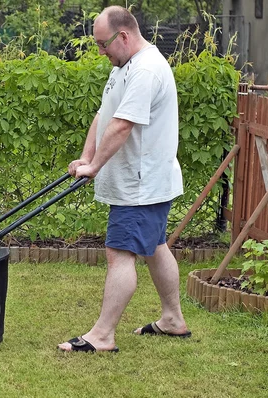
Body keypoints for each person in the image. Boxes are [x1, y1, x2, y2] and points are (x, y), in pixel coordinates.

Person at [59, 5, 191, 353]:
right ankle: (173, 319)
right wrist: (87, 157)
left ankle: (102, 335)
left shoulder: (146, 69)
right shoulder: (125, 66)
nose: (101, 52)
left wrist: (96, 167)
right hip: (142, 180)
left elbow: (123, 125)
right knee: (155, 246)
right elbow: (105, 114)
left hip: (140, 183)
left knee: (120, 254)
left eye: (103, 45)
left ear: (124, 36)